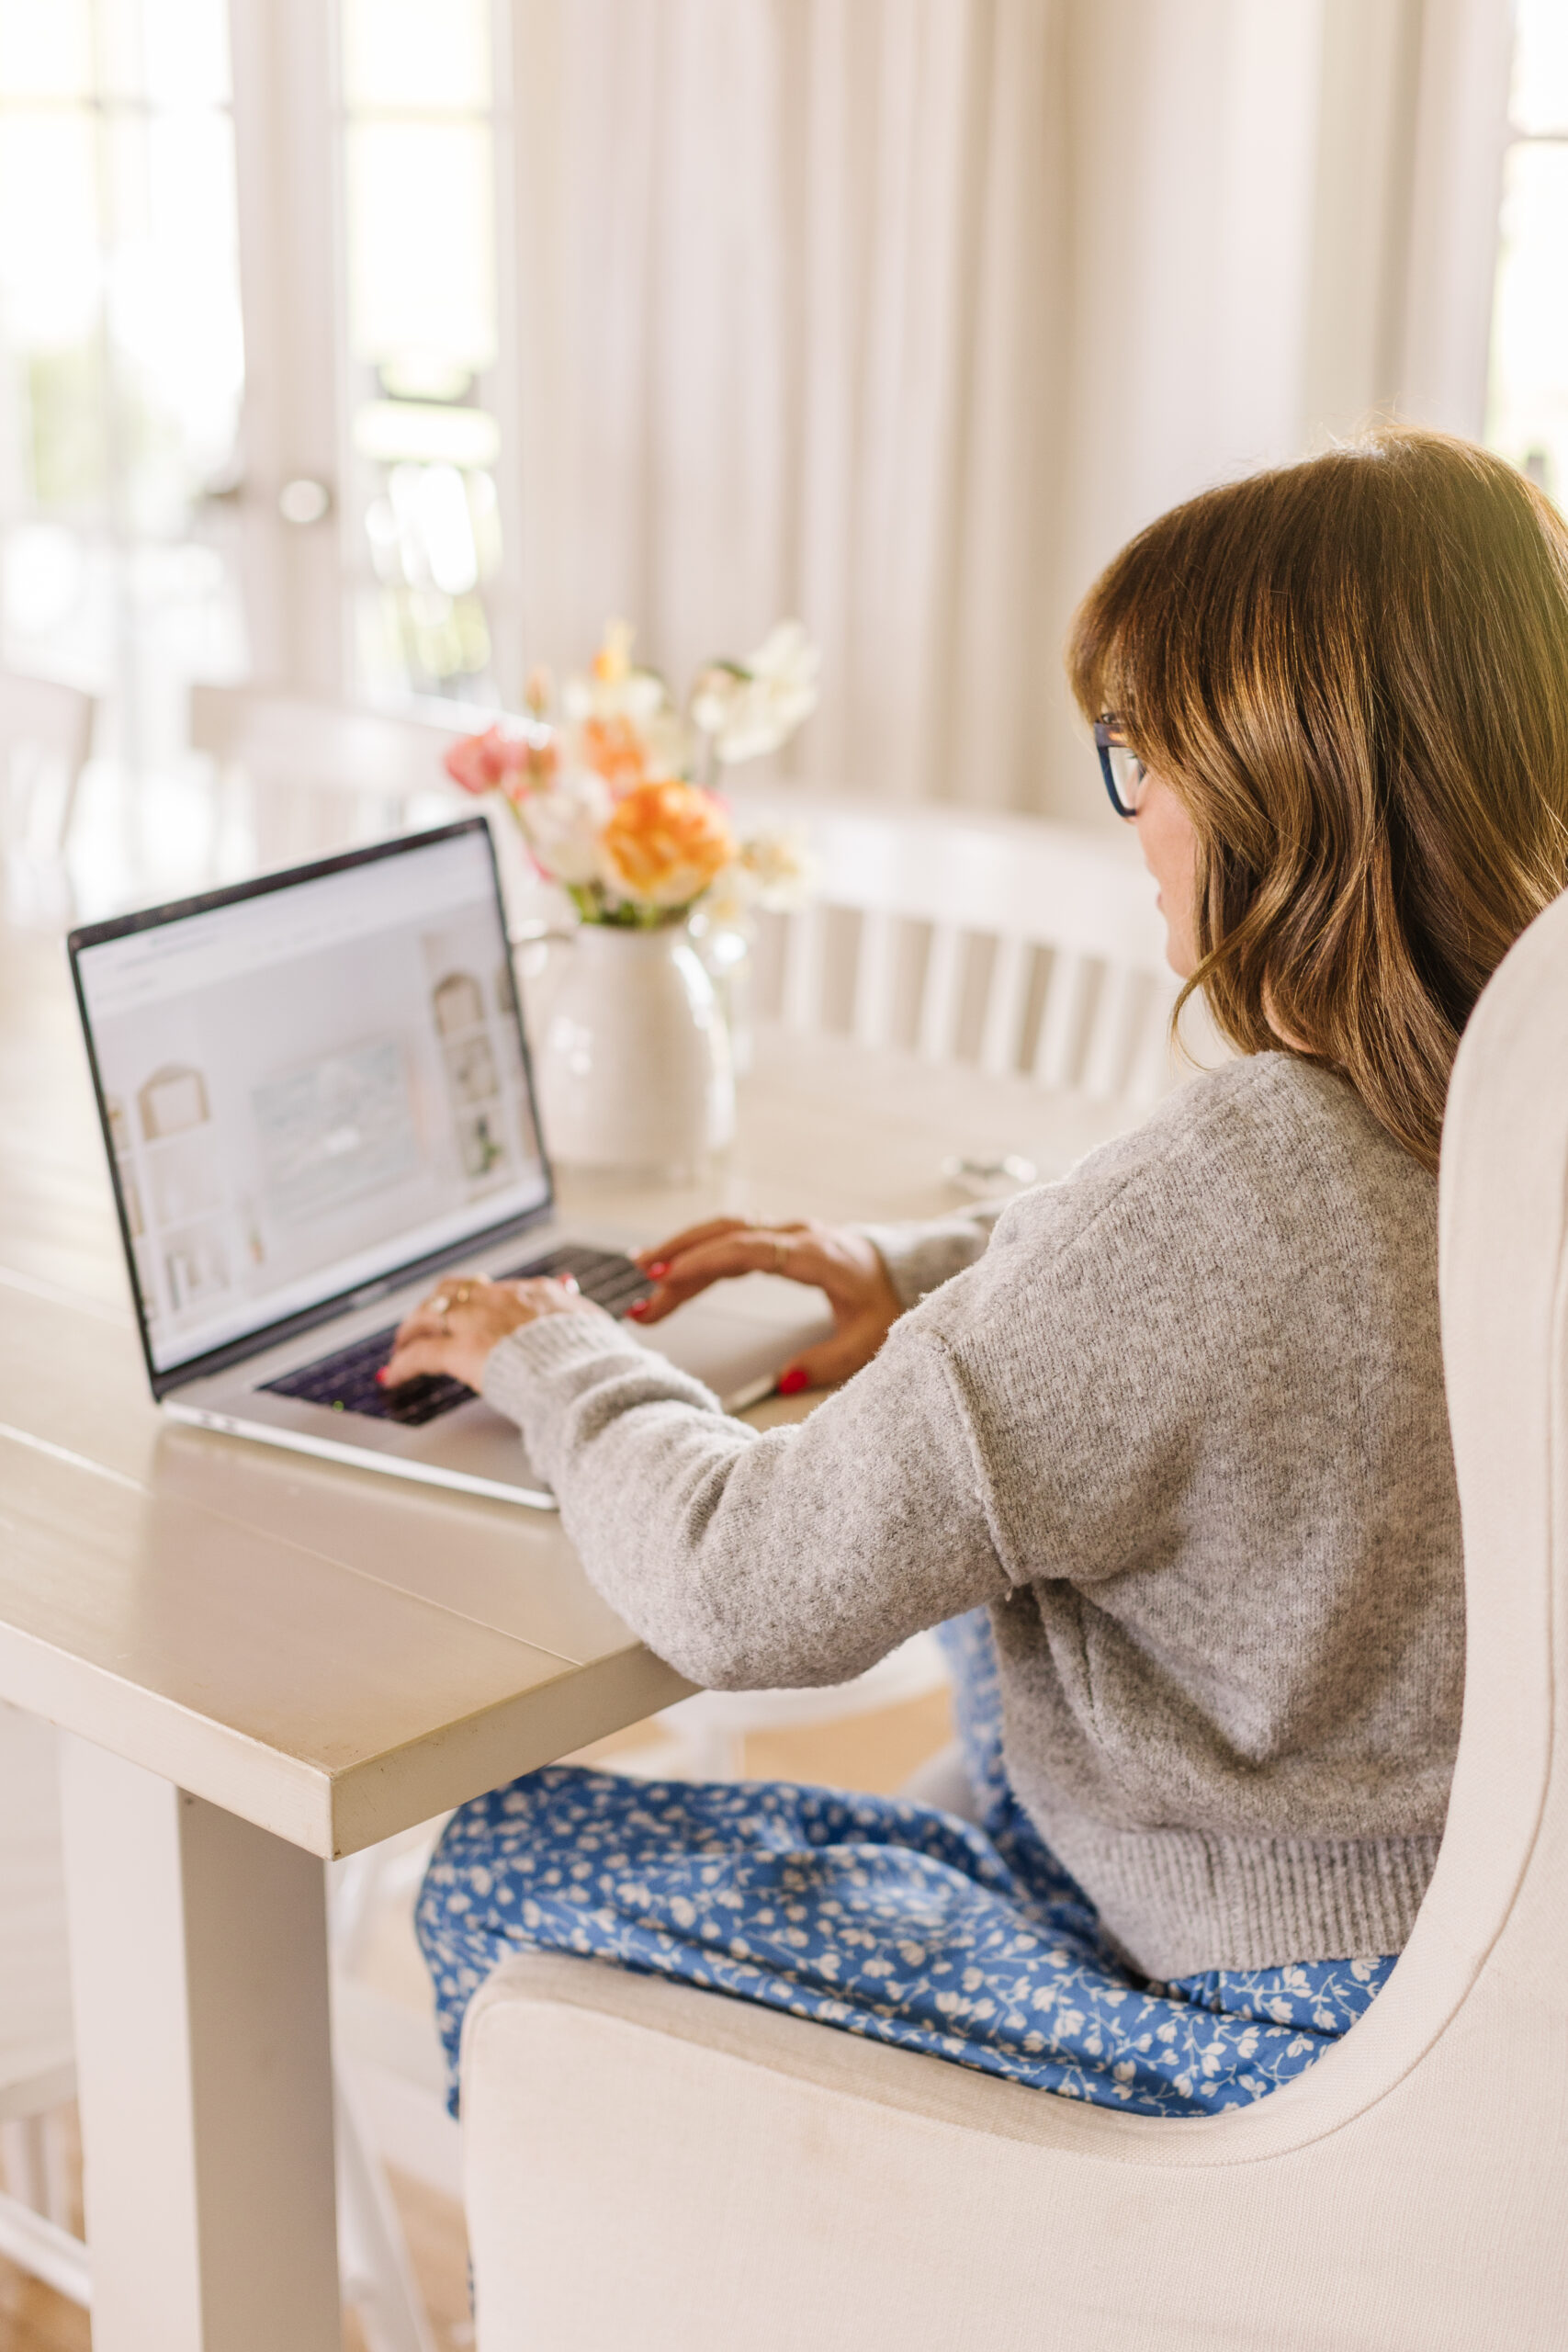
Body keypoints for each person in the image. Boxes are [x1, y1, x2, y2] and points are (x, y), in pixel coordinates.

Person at [394, 428, 1568, 2119]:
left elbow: (743, 1587)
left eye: (1139, 758)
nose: (1136, 818)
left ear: (1265, 787)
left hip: (1278, 2066)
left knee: (511, 1861)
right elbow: (1250, 1311)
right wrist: (936, 1270)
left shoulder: (1229, 1192)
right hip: (1493, 1988)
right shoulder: (1512, 1100)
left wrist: (559, 1355)